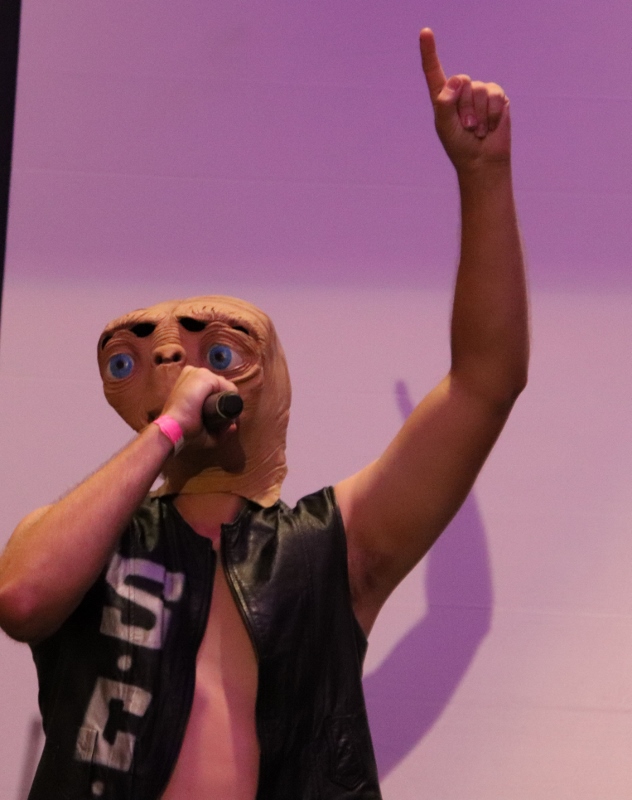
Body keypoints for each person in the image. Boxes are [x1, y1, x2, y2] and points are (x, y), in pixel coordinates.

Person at [0, 28, 528, 800]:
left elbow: (486, 382)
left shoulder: (327, 549)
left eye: (217, 351)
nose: (176, 361)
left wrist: (484, 177)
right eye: (142, 359)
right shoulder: (94, 543)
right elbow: (21, 597)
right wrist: (169, 429)